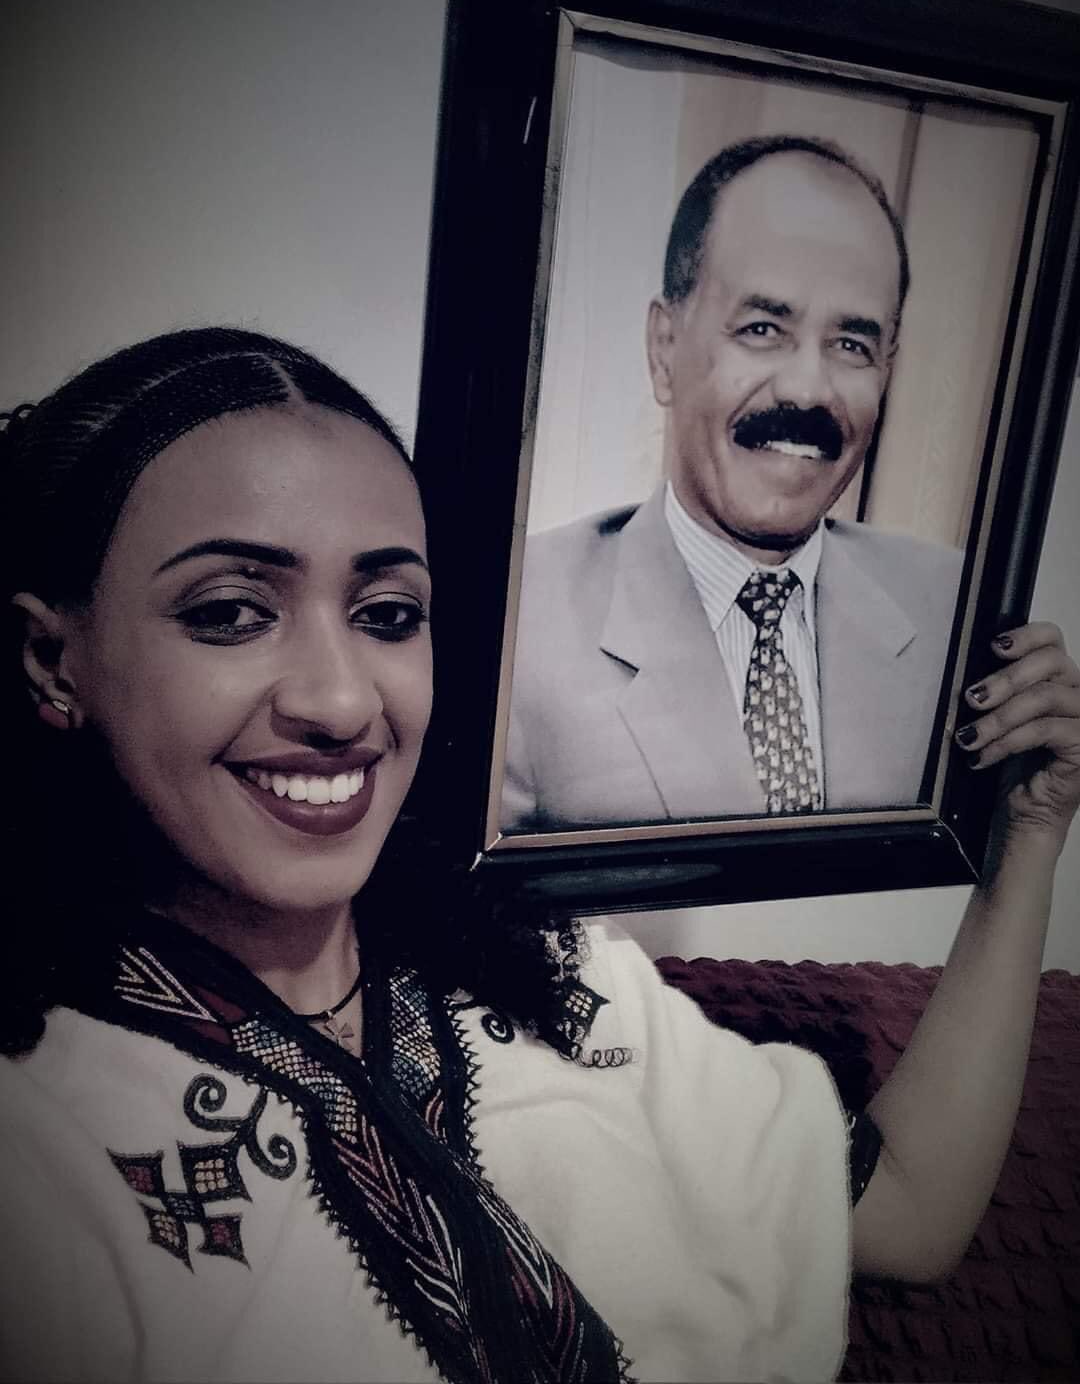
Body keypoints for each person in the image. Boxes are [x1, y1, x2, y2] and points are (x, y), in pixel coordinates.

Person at [1, 327, 1078, 1384]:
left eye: (388, 614)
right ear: (53, 659)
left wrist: (1031, 830)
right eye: (233, 613)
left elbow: (913, 1216)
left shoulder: (555, 976)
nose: (341, 701)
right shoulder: (38, 1137)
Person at [502, 135, 963, 833]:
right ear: (665, 349)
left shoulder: (958, 614)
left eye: (851, 345)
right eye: (762, 328)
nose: (808, 388)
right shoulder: (518, 625)